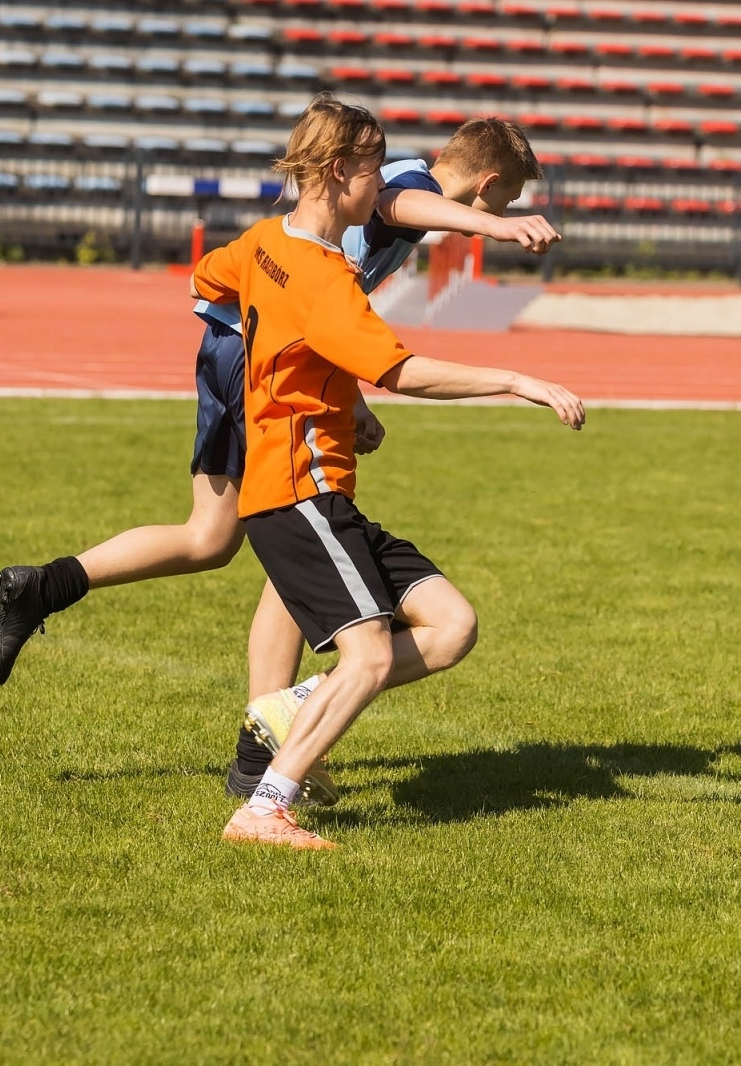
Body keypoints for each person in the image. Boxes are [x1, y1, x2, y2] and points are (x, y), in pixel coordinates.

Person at [0, 104, 559, 800]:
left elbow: (310, 317)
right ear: (489, 182)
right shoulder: (400, 184)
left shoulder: (350, 215)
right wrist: (495, 226)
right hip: (254, 349)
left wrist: (350, 396)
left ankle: (43, 585)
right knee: (301, 515)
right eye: (508, 198)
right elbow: (402, 206)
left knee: (214, 537)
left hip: (242, 341)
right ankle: (266, 744)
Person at [189, 97, 583, 849]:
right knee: (368, 656)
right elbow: (400, 369)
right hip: (297, 491)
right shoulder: (321, 274)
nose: (388, 191)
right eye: (376, 172)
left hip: (323, 490)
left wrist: (321, 386)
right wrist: (518, 381)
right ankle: (264, 806)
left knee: (452, 625)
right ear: (342, 173)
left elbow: (207, 285)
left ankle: (285, 707)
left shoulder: (266, 242)